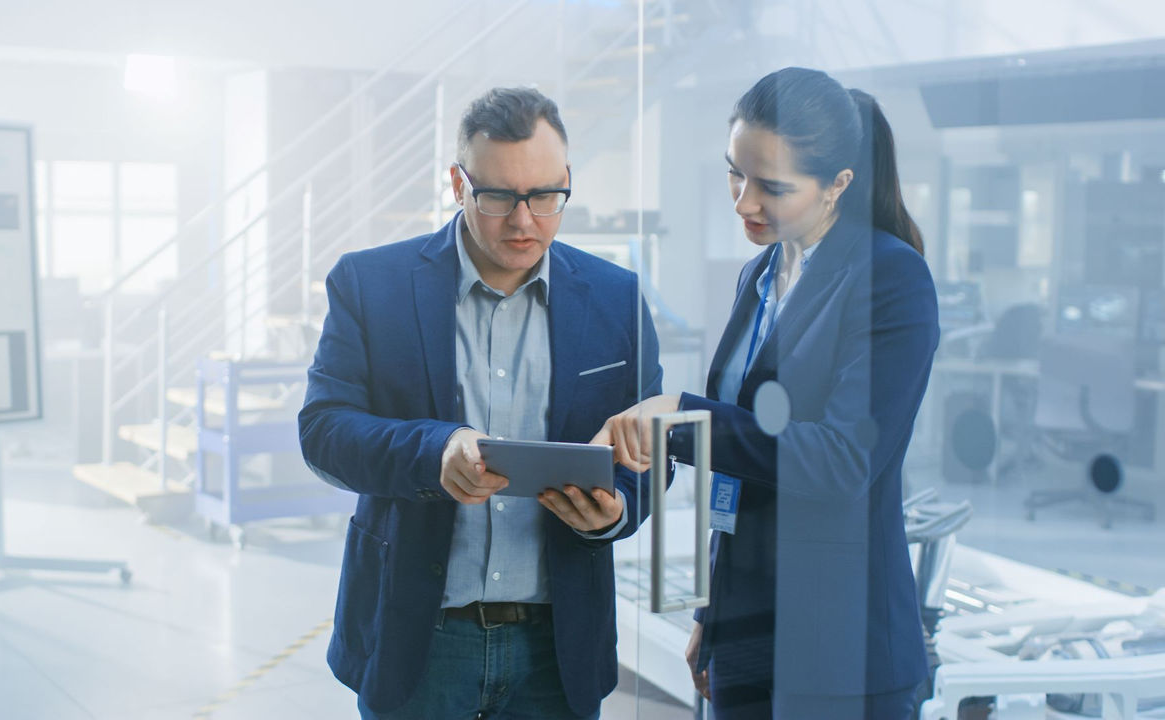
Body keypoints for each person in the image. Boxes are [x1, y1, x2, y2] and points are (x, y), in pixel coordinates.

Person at [298, 86, 662, 720]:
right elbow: (324, 433)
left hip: (559, 648)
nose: (524, 221)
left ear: (567, 180)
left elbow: (652, 457)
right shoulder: (370, 284)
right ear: (457, 183)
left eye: (546, 196)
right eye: (497, 197)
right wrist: (433, 449)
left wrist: (614, 515)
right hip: (420, 642)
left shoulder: (617, 299)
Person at [593, 67, 939, 718]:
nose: (743, 202)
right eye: (735, 173)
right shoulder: (760, 274)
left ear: (839, 184)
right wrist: (712, 613)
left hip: (841, 648)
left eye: (772, 186)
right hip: (747, 631)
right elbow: (747, 471)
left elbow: (841, 461)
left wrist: (683, 418)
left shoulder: (891, 277)